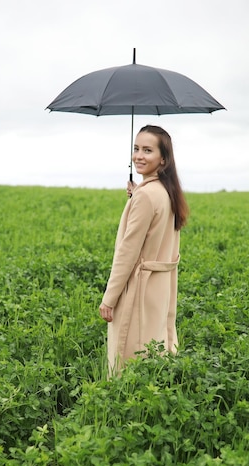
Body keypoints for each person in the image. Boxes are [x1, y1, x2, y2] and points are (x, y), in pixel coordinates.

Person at [99, 125, 189, 375]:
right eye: (136, 148)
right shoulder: (167, 192)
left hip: (139, 287)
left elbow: (127, 253)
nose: (138, 155)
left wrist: (109, 298)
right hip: (160, 288)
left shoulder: (147, 196)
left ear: (163, 158)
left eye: (147, 150)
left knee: (129, 359)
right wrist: (138, 193)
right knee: (155, 350)